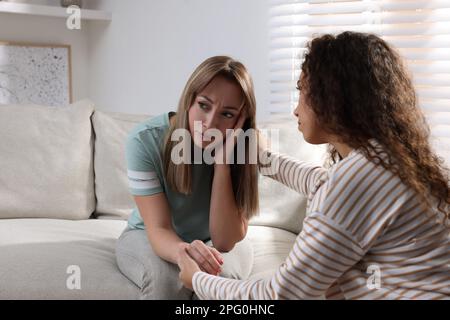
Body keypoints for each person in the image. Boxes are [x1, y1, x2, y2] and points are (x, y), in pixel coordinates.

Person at [178, 32, 450, 300]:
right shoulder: (384, 161)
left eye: (301, 91)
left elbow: (282, 294)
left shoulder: (354, 180)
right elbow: (320, 182)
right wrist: (262, 158)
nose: (296, 110)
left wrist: (199, 280)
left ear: (331, 97)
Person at [116, 56, 259, 299]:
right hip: (149, 234)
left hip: (215, 240)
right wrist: (184, 253)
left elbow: (224, 242)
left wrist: (223, 166)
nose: (210, 122)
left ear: (240, 121)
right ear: (188, 101)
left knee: (220, 286)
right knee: (166, 281)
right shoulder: (144, 140)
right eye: (204, 105)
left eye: (227, 114)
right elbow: (159, 227)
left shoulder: (246, 146)